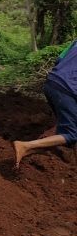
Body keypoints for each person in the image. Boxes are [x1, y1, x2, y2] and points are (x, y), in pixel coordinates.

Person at [14, 40, 77, 168]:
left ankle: (43, 155)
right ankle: (25, 146)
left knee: (64, 131)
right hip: (67, 90)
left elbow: (59, 60)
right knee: (72, 134)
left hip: (52, 82)